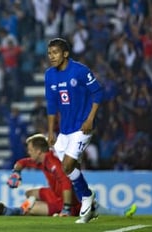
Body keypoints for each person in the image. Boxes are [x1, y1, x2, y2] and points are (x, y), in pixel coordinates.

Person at [44, 38, 104, 223]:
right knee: (70, 168)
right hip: (64, 130)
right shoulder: (49, 75)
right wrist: (51, 131)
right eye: (49, 53)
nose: (51, 56)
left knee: (68, 165)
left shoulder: (79, 71)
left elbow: (98, 92)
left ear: (65, 54)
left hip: (82, 127)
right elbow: (52, 104)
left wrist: (90, 119)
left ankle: (86, 198)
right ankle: (91, 206)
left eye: (55, 52)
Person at [7, 134, 137, 218]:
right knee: (30, 193)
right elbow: (22, 162)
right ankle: (101, 210)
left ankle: (71, 210)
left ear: (38, 151)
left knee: (33, 209)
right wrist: (16, 172)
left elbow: (66, 183)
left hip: (64, 200)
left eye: (30, 150)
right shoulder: (41, 161)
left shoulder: (52, 162)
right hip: (55, 194)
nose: (28, 153)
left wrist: (66, 208)